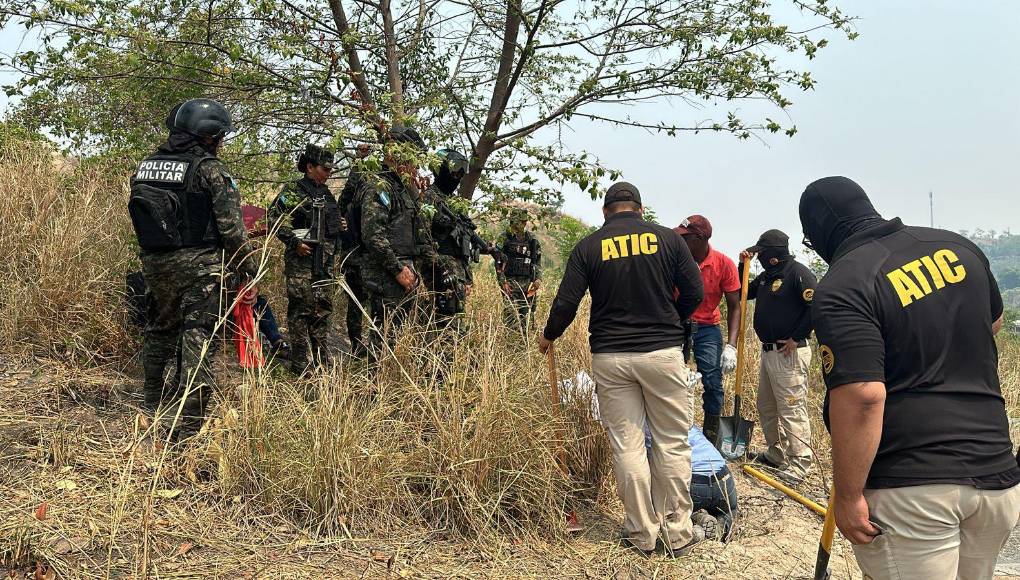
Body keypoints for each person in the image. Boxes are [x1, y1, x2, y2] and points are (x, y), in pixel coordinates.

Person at [802, 176, 1020, 580]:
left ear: (817, 234)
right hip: (996, 477)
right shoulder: (958, 248)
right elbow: (994, 324)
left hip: (913, 489)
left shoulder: (845, 283)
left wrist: (847, 498)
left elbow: (864, 395)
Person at [539, 182, 705, 556]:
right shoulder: (667, 240)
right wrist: (673, 323)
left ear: (605, 212)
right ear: (641, 210)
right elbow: (695, 291)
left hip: (611, 357)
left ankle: (641, 533)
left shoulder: (589, 245)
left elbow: (567, 301)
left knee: (627, 445)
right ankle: (676, 532)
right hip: (662, 353)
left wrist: (549, 335)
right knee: (672, 442)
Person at [128, 98, 258, 441]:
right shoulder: (210, 170)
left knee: (159, 328)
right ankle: (187, 429)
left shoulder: (145, 167)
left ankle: (151, 402)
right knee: (199, 338)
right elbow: (232, 230)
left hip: (155, 264)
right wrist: (249, 271)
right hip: (201, 268)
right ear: (209, 135)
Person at [351, 127, 444, 355]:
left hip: (402, 273)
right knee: (383, 339)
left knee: (395, 337)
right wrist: (397, 269)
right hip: (386, 274)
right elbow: (373, 236)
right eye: (412, 157)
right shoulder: (379, 186)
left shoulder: (401, 189)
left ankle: (384, 383)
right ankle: (374, 386)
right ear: (395, 152)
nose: (415, 165)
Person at [739, 229, 816, 481]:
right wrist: (743, 265)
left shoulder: (798, 274)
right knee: (767, 406)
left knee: (791, 408)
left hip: (789, 353)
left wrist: (798, 336)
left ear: (773, 256)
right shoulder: (764, 277)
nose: (758, 257)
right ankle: (777, 453)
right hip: (769, 352)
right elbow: (743, 291)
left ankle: (800, 462)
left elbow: (816, 306)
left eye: (761, 253)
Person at [268, 144, 344, 375]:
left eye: (331, 169)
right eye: (325, 168)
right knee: (301, 312)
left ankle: (322, 362)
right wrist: (294, 243)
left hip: (325, 265)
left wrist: (340, 225)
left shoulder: (327, 193)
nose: (329, 173)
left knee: (322, 311)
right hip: (302, 264)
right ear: (310, 167)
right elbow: (273, 218)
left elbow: (331, 223)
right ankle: (301, 364)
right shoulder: (294, 190)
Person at [673, 215, 742, 443]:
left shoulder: (724, 264)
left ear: (699, 238)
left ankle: (711, 438)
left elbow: (735, 307)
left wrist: (731, 345)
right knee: (668, 377)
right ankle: (672, 433)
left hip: (707, 327)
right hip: (675, 322)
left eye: (685, 238)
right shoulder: (673, 260)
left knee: (712, 381)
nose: (680, 241)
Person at [423, 148, 497, 329]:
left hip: (457, 277)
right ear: (441, 169)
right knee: (439, 325)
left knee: (454, 328)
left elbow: (463, 243)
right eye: (455, 169)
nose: (458, 176)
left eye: (462, 171)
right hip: (438, 274)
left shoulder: (454, 204)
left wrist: (468, 277)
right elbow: (422, 239)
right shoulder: (429, 198)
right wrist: (441, 267)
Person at [645, 424, 738, 540]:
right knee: (730, 510)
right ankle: (722, 526)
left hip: (693, 483)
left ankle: (695, 519)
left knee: (670, 507)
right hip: (724, 478)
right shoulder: (687, 421)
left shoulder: (646, 428)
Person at [338, 143, 371, 357]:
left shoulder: (368, 202)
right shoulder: (348, 204)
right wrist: (359, 160)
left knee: (366, 304)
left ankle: (366, 344)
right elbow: (349, 189)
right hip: (353, 258)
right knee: (356, 304)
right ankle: (357, 345)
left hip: (367, 259)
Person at [496, 208, 541, 332]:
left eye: (521, 221)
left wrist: (537, 279)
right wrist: (502, 282)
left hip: (527, 283)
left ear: (524, 222)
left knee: (527, 318)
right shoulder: (504, 237)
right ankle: (510, 344)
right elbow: (498, 262)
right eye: (514, 221)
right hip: (509, 282)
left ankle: (524, 344)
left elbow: (537, 261)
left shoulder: (532, 239)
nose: (517, 224)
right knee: (510, 315)